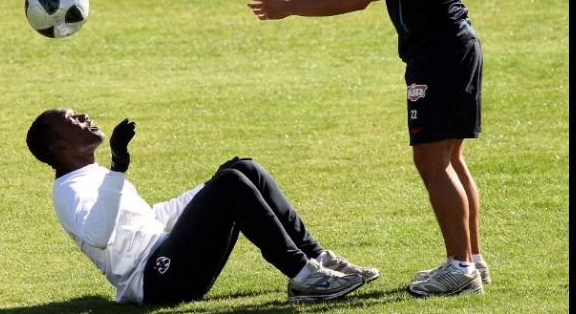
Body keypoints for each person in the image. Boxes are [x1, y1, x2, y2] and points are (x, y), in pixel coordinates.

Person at [247, 0, 488, 297]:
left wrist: (290, 9)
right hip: (453, 48)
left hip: (438, 54)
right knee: (450, 158)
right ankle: (471, 261)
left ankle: (459, 266)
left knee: (433, 160)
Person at [25, 108, 380, 304]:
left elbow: (149, 220)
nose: (85, 116)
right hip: (155, 281)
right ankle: (304, 277)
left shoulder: (91, 175)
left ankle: (318, 259)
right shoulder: (68, 191)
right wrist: (118, 166)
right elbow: (99, 236)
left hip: (166, 256)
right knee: (229, 184)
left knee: (241, 169)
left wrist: (208, 188)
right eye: (73, 119)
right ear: (58, 147)